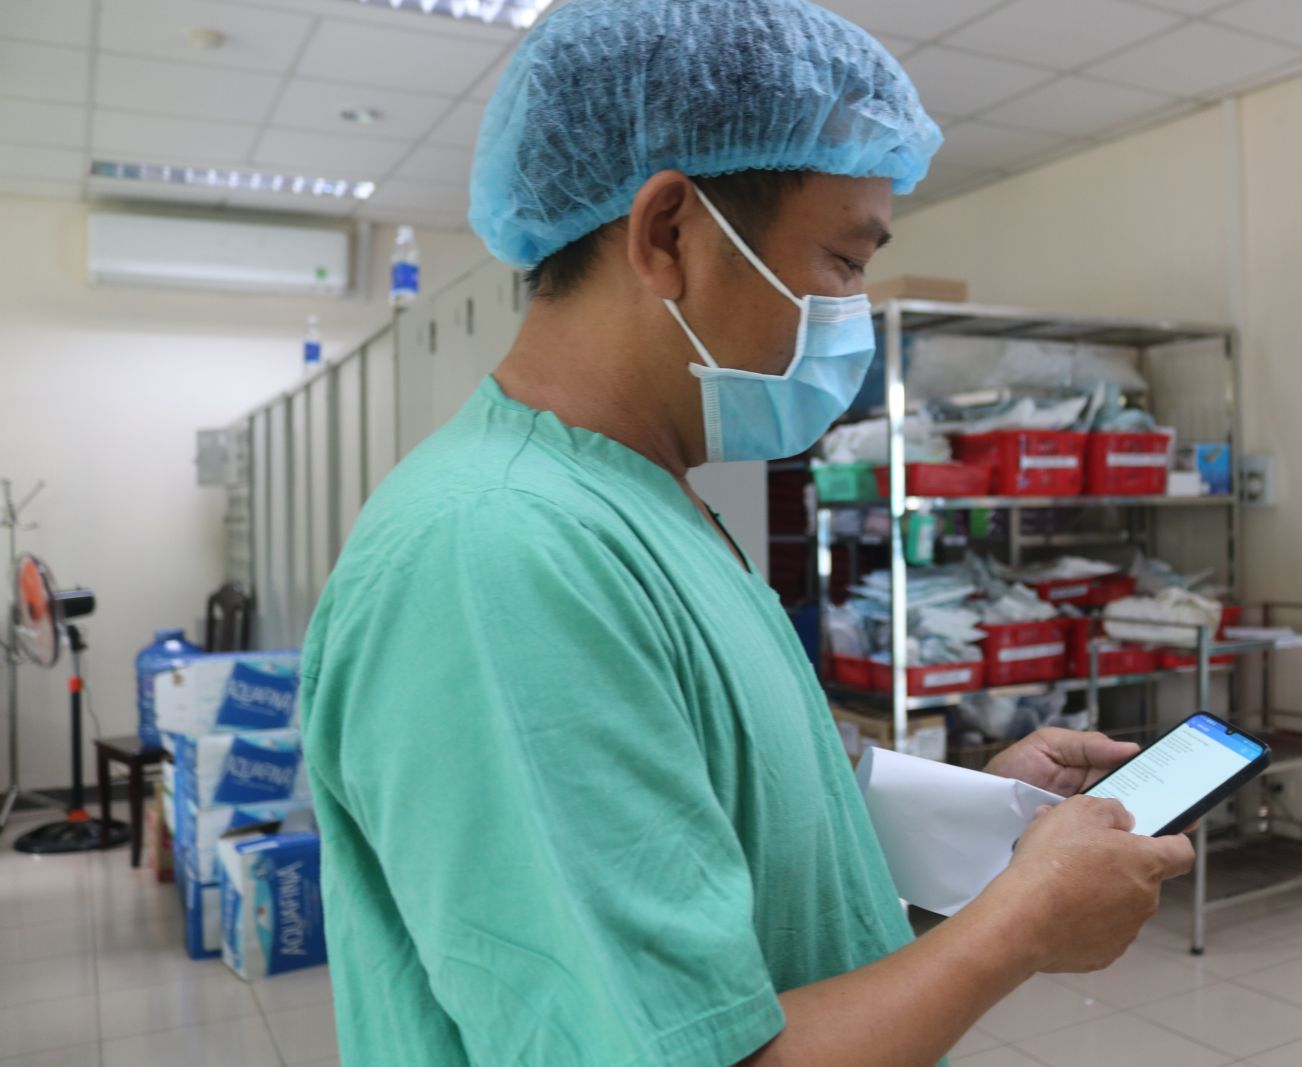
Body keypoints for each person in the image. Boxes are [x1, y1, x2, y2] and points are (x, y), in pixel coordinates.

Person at [299, 1, 1195, 1064]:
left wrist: (980, 819)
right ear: (668, 235)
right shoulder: (496, 555)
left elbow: (727, 841)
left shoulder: (648, 499)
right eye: (843, 263)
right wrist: (1025, 924)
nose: (849, 317)